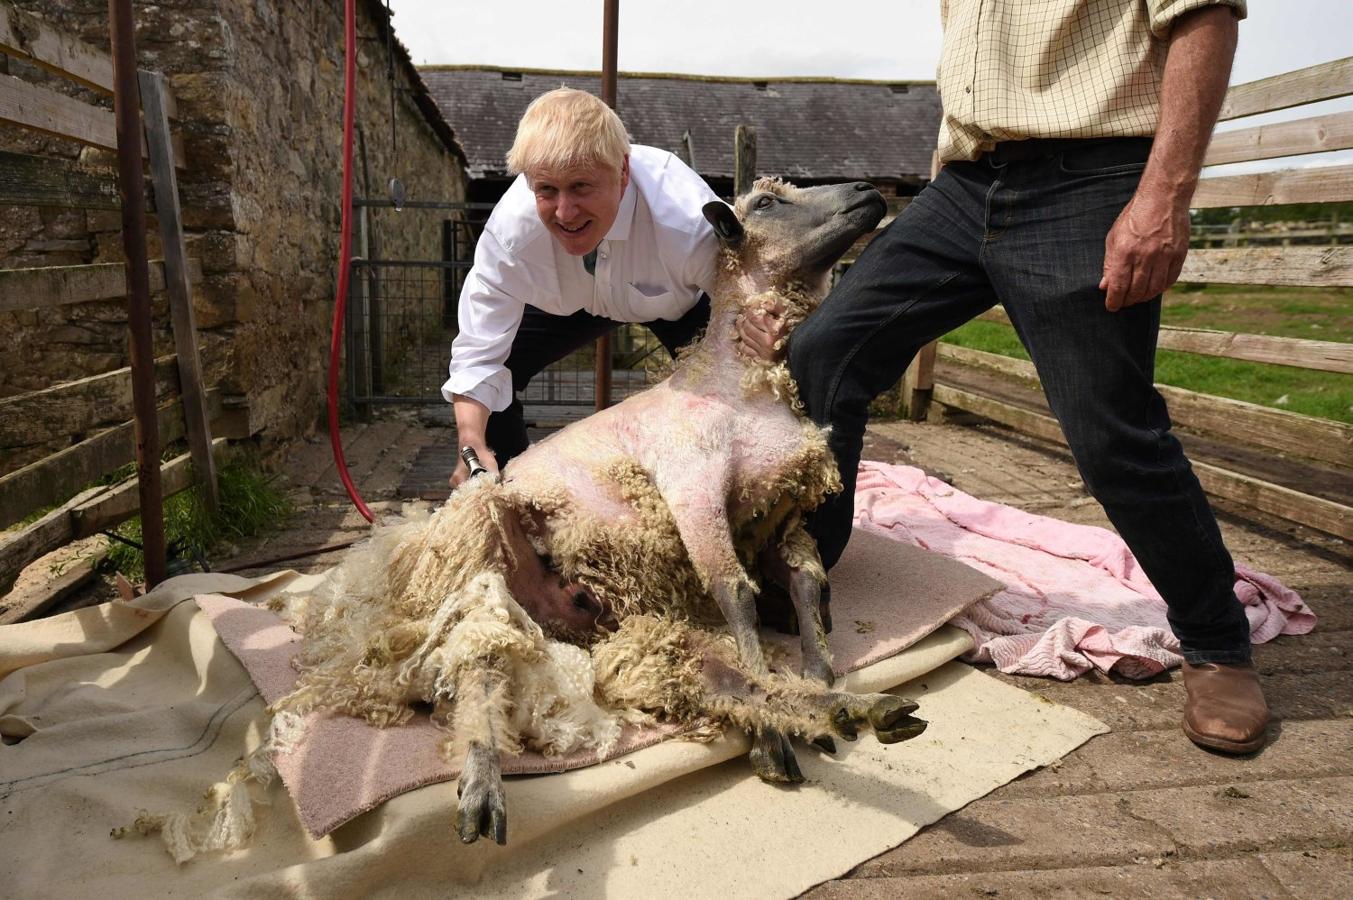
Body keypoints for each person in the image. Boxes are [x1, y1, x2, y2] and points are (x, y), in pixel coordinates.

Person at [741, 0, 1266, 754]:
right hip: (963, 187)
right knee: (825, 351)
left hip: (1088, 176)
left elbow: (1202, 17)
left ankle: (1217, 643)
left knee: (1108, 430)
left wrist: (1163, 196)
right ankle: (805, 572)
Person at [444, 87, 731, 486]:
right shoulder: (510, 237)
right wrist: (471, 442)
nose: (564, 212)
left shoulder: (687, 222)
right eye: (547, 190)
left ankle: (709, 492)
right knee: (496, 382)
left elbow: (749, 302)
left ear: (624, 173)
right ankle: (512, 496)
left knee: (726, 385)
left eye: (581, 186)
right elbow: (478, 357)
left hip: (674, 304)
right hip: (569, 304)